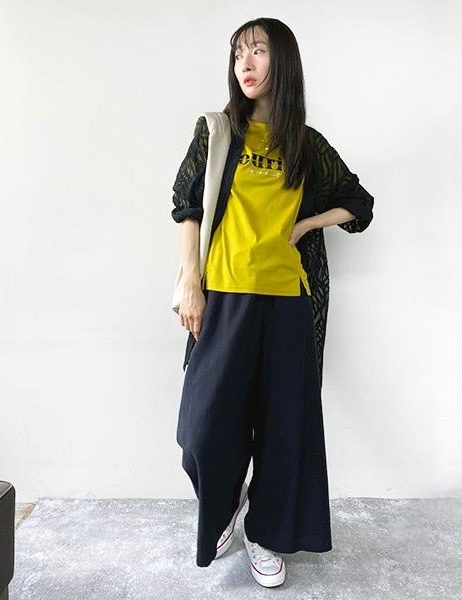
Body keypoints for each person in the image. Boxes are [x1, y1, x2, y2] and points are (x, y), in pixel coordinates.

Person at [171, 17, 373, 588]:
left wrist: (306, 224)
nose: (246, 62)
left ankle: (264, 533)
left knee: (284, 429)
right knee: (202, 429)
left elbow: (359, 203)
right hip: (225, 296)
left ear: (281, 61)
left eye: (258, 50)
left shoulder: (306, 145)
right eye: (239, 52)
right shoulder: (216, 132)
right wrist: (191, 282)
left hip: (288, 301)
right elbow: (187, 206)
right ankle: (226, 504)